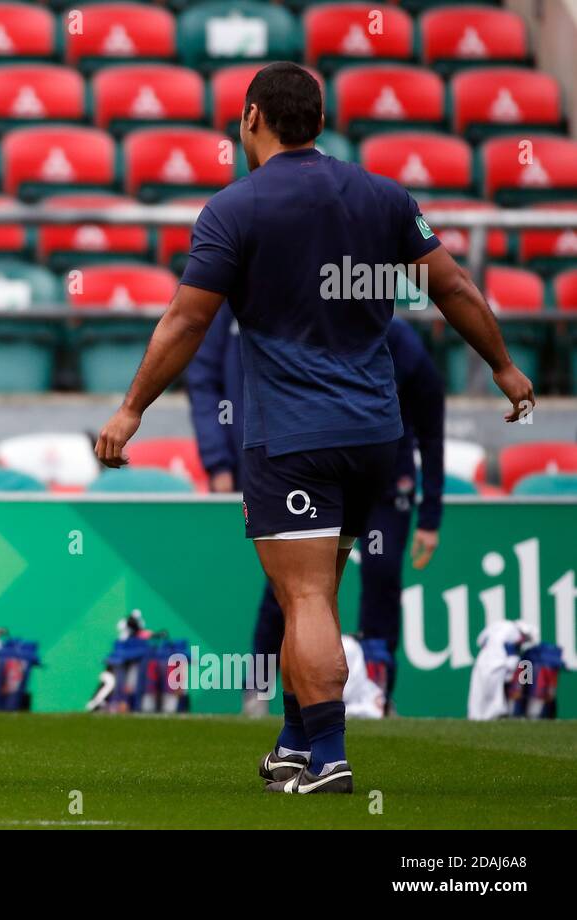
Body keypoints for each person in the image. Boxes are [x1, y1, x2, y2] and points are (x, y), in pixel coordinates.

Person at [95, 62, 533, 794]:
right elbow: (452, 285)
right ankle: (295, 743)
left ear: (252, 117)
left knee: (302, 598)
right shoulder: (386, 197)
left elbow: (185, 320)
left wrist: (132, 406)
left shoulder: (234, 208)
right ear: (321, 121)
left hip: (293, 436)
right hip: (373, 435)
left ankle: (329, 757)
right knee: (320, 592)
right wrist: (506, 367)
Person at [189, 306, 445, 715]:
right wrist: (226, 459)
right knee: (291, 585)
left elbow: (432, 423)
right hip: (313, 470)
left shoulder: (400, 342)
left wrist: (430, 514)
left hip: (381, 478)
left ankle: (378, 691)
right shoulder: (302, 326)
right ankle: (258, 689)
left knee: (381, 579)